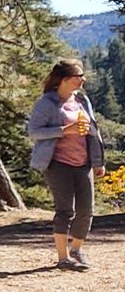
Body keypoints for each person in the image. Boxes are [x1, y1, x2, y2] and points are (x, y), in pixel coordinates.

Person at [28, 59, 106, 271]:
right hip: (57, 163)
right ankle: (63, 258)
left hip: (84, 163)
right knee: (65, 211)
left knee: (86, 210)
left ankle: (76, 250)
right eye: (79, 76)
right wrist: (64, 130)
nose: (83, 80)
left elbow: (93, 131)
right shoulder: (46, 103)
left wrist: (98, 162)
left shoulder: (82, 100)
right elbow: (33, 132)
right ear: (65, 79)